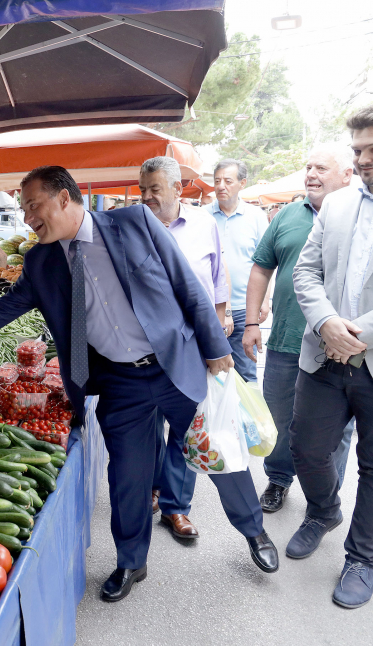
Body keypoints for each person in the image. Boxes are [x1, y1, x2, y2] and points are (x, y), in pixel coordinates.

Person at [0, 166, 277, 602]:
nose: (27, 218)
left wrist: (214, 347)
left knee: (217, 450)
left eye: (33, 206)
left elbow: (187, 286)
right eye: (23, 210)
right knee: (127, 476)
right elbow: (1, 309)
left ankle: (253, 531)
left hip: (175, 364)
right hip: (119, 380)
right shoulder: (41, 260)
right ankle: (132, 561)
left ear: (64, 198)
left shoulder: (135, 222)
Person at [289, 105, 373, 609]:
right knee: (307, 449)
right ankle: (323, 510)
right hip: (324, 357)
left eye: (371, 150)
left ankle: (362, 557)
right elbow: (305, 272)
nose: (362, 159)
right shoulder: (337, 205)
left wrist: (357, 332)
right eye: (359, 150)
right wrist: (326, 322)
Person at [242, 144, 356, 513]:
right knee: (280, 417)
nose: (310, 174)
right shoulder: (288, 215)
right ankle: (278, 479)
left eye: (321, 167)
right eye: (308, 167)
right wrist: (252, 322)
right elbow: (262, 267)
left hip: (342, 347)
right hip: (286, 341)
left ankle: (324, 499)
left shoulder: (360, 218)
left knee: (335, 430)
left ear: (346, 174)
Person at [139, 156, 230, 540]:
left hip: (192, 344)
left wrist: (218, 335)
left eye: (154, 189)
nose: (147, 197)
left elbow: (217, 280)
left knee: (184, 428)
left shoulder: (204, 225)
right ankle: (152, 490)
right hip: (146, 348)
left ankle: (176, 508)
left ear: (178, 189)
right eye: (142, 190)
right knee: (148, 425)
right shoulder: (133, 228)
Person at [206, 159, 271, 382]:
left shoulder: (256, 217)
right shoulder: (202, 217)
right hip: (210, 308)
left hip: (245, 307)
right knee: (211, 373)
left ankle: (249, 418)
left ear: (242, 183)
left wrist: (264, 300)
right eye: (217, 181)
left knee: (245, 372)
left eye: (228, 181)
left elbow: (267, 263)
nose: (221, 186)